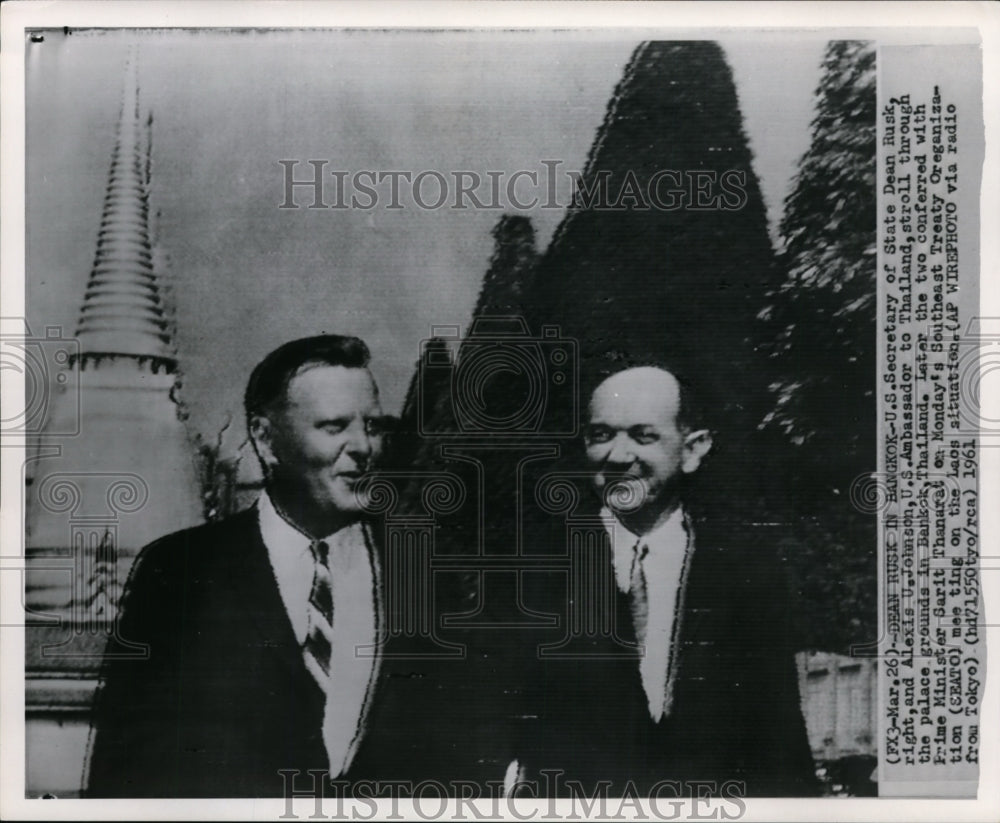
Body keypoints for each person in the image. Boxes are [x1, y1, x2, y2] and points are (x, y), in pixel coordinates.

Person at [85, 335, 397, 797]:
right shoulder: (180, 572)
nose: (363, 447)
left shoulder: (427, 575)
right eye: (334, 427)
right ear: (266, 439)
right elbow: (125, 771)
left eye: (372, 425)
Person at [515, 362, 819, 797]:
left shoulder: (745, 574)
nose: (618, 456)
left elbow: (779, 741)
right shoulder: (537, 572)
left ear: (693, 450)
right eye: (601, 435)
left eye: (643, 435)